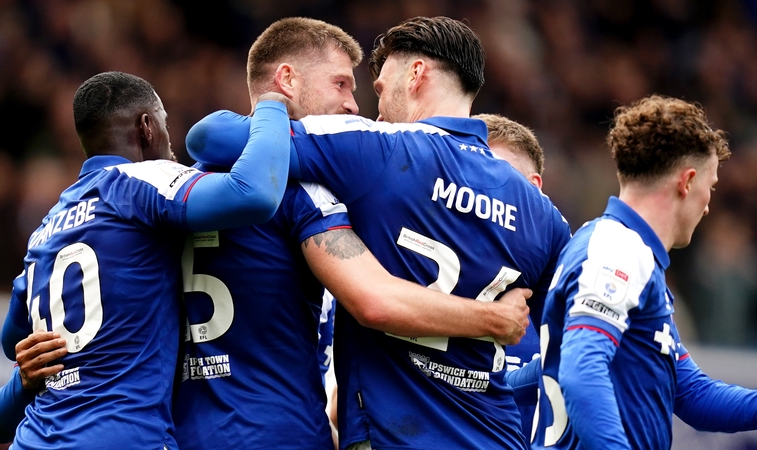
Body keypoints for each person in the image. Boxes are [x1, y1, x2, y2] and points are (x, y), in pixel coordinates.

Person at [185, 16, 572, 450]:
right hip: (496, 435)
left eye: (381, 90)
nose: (374, 110)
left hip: (395, 434)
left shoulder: (377, 148)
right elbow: (574, 347)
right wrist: (496, 351)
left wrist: (271, 106)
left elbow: (213, 137)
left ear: (416, 74)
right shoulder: (543, 213)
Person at [0, 71, 296, 449]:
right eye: (165, 123)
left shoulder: (46, 229)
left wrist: (22, 384)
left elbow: (9, 353)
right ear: (147, 127)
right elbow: (255, 194)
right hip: (125, 436)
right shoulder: (139, 180)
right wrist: (271, 105)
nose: (171, 141)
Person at [531, 95, 757, 449]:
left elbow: (693, 394)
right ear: (687, 182)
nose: (708, 205)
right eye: (710, 187)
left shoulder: (624, 250)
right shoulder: (618, 249)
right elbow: (581, 372)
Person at [474, 112, 548, 445]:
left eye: (498, 176)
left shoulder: (569, 283)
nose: (483, 195)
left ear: (534, 189)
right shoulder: (428, 282)